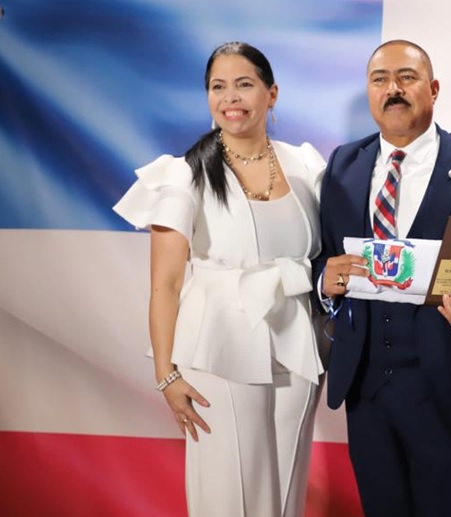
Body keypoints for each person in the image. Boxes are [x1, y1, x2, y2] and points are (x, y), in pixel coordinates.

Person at [113, 42, 326, 517]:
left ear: (272, 94)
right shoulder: (184, 175)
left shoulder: (306, 165)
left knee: (287, 485)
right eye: (218, 86)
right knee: (231, 491)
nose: (231, 97)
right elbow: (165, 286)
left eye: (244, 84)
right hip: (218, 346)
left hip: (296, 340)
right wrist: (166, 374)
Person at [314, 40, 451, 517]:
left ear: (434, 88)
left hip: (449, 390)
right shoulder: (342, 167)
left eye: (406, 77)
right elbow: (324, 257)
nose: (393, 89)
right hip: (366, 391)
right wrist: (324, 279)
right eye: (380, 79)